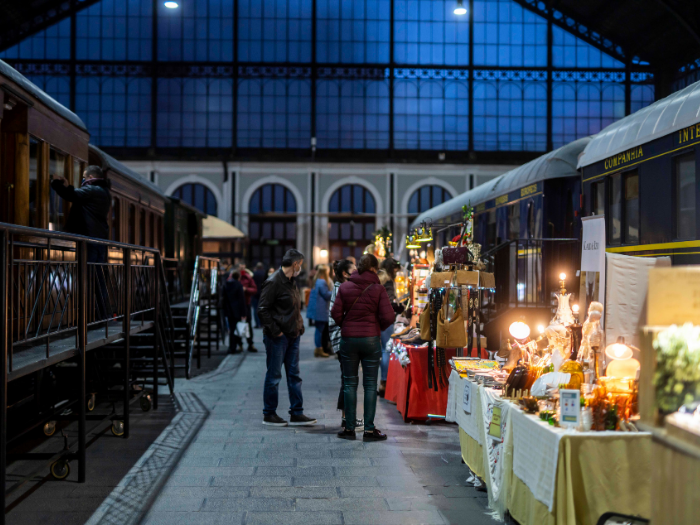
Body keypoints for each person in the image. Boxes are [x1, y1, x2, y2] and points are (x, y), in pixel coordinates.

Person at [331, 253, 394, 441]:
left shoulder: (345, 286)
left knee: (349, 383)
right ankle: (368, 430)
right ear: (374, 269)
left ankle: (349, 429)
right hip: (370, 340)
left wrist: (346, 325)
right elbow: (389, 317)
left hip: (348, 340)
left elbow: (335, 313)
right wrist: (377, 327)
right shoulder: (378, 289)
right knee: (370, 385)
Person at [258, 249, 317, 427]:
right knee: (274, 375)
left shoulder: (291, 281)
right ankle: (269, 413)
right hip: (278, 338)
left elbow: (293, 307)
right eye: (301, 264)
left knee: (294, 375)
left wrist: (299, 326)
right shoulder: (274, 281)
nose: (302, 267)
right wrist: (276, 331)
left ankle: (297, 412)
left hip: (293, 335)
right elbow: (262, 310)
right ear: (296, 264)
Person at [51, 165, 111, 319]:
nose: (83, 180)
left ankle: (92, 316)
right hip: (98, 240)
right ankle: (102, 315)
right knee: (97, 277)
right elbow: (78, 196)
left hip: (90, 240)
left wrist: (56, 183)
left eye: (84, 178)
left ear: (90, 177)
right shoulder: (103, 192)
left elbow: (72, 195)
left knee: (89, 277)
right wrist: (68, 186)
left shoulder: (93, 190)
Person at [329, 259, 364, 432]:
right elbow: (336, 317)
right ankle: (346, 418)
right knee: (348, 380)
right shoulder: (341, 289)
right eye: (354, 269)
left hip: (345, 337)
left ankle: (346, 417)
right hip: (343, 339)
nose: (357, 272)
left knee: (348, 379)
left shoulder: (343, 288)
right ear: (345, 273)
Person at [379, 257, 404, 397]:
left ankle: (383, 381)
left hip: (379, 319)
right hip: (386, 319)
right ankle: (384, 382)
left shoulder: (381, 278)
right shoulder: (387, 281)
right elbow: (389, 301)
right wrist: (400, 308)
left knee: (384, 350)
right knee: (386, 350)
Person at [312, 265, 333, 358]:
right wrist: (336, 291)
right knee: (320, 330)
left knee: (318, 330)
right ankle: (319, 349)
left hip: (317, 308)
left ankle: (318, 348)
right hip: (321, 309)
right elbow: (326, 295)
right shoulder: (322, 282)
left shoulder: (317, 280)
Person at [223, 271, 246, 354]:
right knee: (236, 330)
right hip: (237, 310)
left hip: (228, 310)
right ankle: (234, 346)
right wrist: (243, 313)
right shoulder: (239, 285)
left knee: (231, 330)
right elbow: (241, 300)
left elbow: (224, 298)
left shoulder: (226, 285)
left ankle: (231, 347)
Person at [238, 263, 258, 352]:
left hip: (246, 303)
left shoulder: (248, 277)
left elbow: (254, 289)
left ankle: (250, 343)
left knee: (248, 324)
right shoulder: (234, 276)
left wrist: (246, 289)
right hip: (237, 304)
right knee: (238, 324)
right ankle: (239, 344)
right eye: (241, 267)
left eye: (243, 267)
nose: (242, 269)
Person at [252, 262, 266, 329]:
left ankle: (258, 324)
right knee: (263, 308)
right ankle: (262, 323)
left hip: (255, 293)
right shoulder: (264, 273)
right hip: (263, 293)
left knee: (255, 309)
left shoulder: (254, 274)